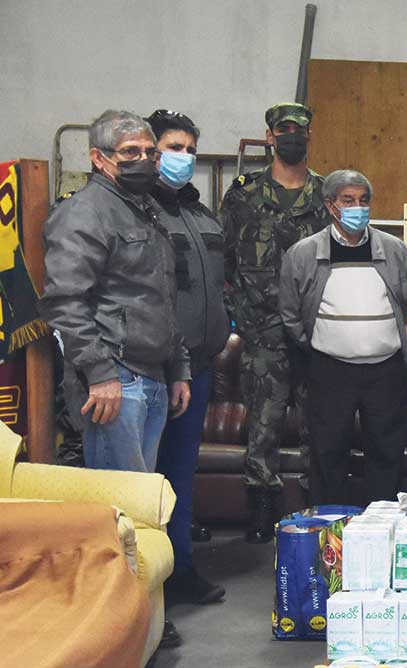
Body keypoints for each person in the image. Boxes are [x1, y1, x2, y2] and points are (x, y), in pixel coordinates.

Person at [40, 109, 191, 475]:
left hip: (152, 375)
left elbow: (162, 295)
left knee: (141, 498)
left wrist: (178, 367)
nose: (143, 159)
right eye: (130, 151)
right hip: (115, 379)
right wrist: (100, 374)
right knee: (118, 500)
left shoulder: (145, 210)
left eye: (149, 152)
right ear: (99, 157)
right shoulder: (84, 212)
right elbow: (65, 302)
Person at [221, 102, 328, 541]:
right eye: (283, 130)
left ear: (309, 135)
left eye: (299, 130)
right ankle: (262, 507)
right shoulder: (243, 195)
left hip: (316, 333)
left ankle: (317, 508)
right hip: (262, 333)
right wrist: (242, 316)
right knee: (262, 427)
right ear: (269, 136)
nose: (291, 137)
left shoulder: (326, 194)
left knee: (318, 426)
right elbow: (226, 262)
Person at [279, 170, 407, 507]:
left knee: (387, 454)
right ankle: (332, 528)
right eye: (348, 201)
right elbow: (291, 313)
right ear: (330, 205)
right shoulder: (303, 253)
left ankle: (384, 525)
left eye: (363, 201)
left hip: (386, 371)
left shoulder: (394, 249)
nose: (358, 208)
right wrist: (321, 344)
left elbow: (404, 302)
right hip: (330, 371)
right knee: (328, 454)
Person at [147, 108, 230, 607]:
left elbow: (219, 284)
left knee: (180, 474)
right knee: (143, 480)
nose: (184, 157)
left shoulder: (202, 217)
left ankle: (179, 569)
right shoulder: (139, 213)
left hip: (195, 367)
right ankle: (145, 584)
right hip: (145, 368)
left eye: (190, 150)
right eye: (174, 148)